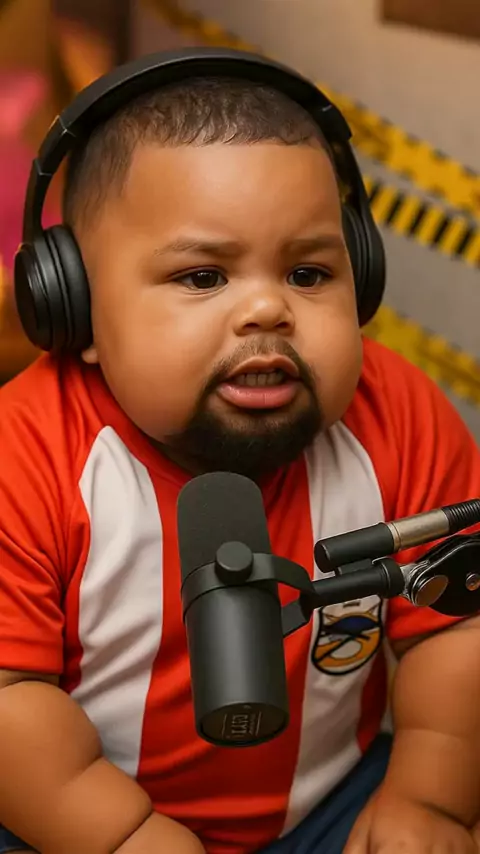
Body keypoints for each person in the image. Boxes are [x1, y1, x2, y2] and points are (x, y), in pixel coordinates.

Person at [0, 49, 480, 854]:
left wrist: (429, 799)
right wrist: (122, 836)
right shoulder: (24, 457)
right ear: (75, 306)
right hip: (75, 818)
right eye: (202, 277)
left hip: (334, 799)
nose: (266, 309)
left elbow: (452, 627)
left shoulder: (398, 415)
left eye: (307, 273)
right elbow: (10, 697)